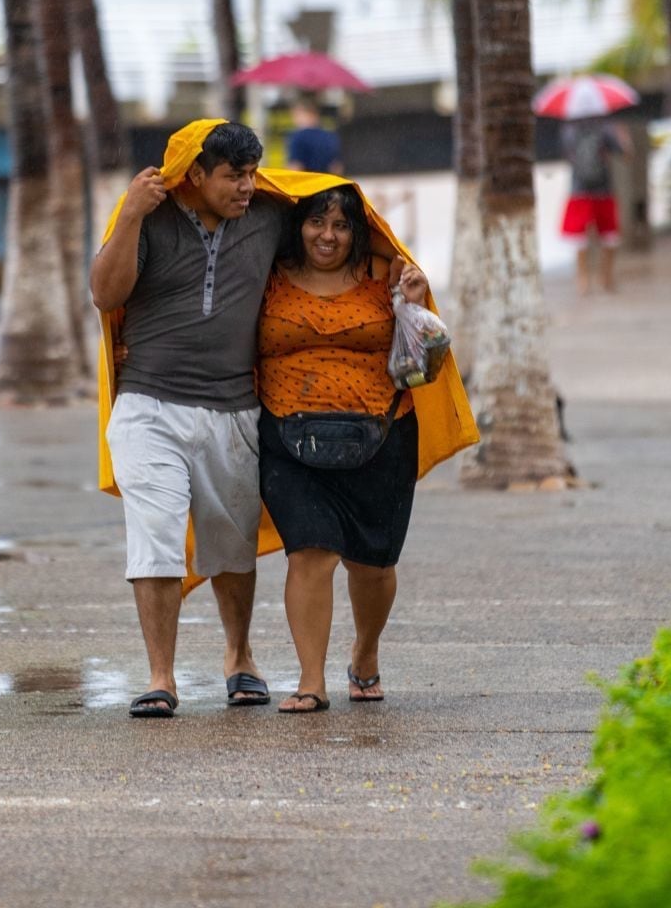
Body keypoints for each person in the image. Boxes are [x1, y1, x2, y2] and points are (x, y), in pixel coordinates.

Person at [90, 122, 281, 718]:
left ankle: (239, 656)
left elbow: (341, 234)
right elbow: (104, 293)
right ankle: (161, 677)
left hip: (235, 411)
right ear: (195, 175)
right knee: (155, 539)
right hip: (149, 407)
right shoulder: (148, 217)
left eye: (252, 174)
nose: (246, 187)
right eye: (233, 176)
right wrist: (127, 215)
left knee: (232, 543)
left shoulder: (272, 218)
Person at [256, 186, 429, 713]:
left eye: (341, 226)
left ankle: (366, 651)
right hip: (287, 436)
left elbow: (426, 362)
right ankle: (311, 681)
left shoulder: (389, 276)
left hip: (384, 434)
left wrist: (416, 308)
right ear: (297, 226)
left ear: (358, 231)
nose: (327, 236)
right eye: (316, 222)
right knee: (310, 551)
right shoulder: (267, 277)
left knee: (372, 565)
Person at [559, 119, 628, 295]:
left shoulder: (568, 131)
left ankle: (583, 280)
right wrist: (623, 137)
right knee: (610, 236)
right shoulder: (607, 129)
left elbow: (567, 156)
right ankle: (606, 278)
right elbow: (625, 154)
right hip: (603, 190)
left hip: (578, 190)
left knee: (578, 238)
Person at [283, 96, 344, 175]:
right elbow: (336, 167)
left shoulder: (298, 137)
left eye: (296, 115)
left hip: (306, 184)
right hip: (326, 183)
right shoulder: (330, 136)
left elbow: (295, 166)